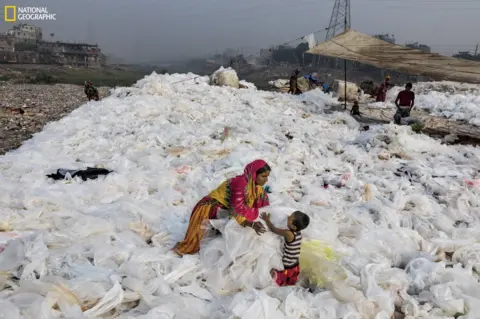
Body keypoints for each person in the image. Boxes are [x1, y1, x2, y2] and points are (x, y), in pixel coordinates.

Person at [173, 160, 271, 256]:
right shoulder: (240, 184)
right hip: (207, 209)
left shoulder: (254, 186)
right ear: (254, 174)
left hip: (222, 209)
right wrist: (251, 224)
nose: (266, 180)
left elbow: (261, 200)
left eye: (267, 176)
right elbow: (235, 208)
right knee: (192, 244)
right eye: (263, 176)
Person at [260, 210, 310, 286]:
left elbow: (273, 229)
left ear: (293, 226)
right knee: (291, 280)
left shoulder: (288, 233)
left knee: (279, 277)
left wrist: (267, 220)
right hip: (295, 263)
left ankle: (280, 280)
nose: (288, 217)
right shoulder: (298, 233)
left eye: (290, 218)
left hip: (288, 264)